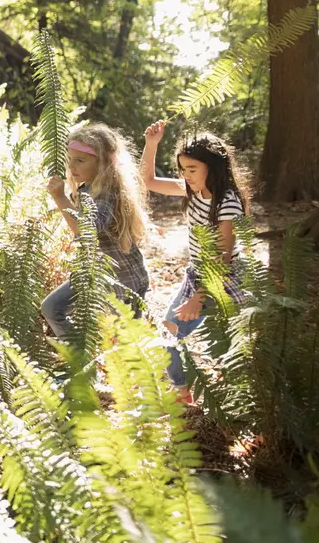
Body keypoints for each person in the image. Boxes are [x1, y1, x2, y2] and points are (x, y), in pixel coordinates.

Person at [142, 120, 249, 402]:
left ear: (212, 168)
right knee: (170, 331)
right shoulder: (191, 190)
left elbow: (224, 260)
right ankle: (183, 393)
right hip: (199, 276)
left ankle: (239, 404)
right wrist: (151, 144)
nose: (186, 175)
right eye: (182, 169)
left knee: (230, 348)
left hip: (224, 281)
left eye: (192, 169)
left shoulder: (228, 202)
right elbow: (149, 181)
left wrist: (198, 299)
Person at [40, 124, 151, 340]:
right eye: (70, 158)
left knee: (129, 348)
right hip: (96, 275)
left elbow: (88, 229)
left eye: (80, 160)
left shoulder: (107, 192)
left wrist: (60, 198)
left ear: (102, 162)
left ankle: (151, 373)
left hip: (125, 281)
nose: (72, 166)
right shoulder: (87, 188)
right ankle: (82, 364)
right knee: (52, 308)